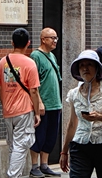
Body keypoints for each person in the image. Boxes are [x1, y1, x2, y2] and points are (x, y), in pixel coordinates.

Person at [61, 50, 102, 178]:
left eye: (89, 64)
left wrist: (100, 117)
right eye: (81, 65)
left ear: (97, 68)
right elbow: (72, 123)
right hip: (80, 145)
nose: (85, 68)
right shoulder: (74, 93)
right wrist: (64, 151)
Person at [0, 28, 44, 178]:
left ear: (12, 42)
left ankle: (14, 174)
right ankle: (13, 175)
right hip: (24, 110)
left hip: (8, 110)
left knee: (13, 145)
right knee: (21, 145)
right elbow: (34, 91)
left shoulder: (3, 61)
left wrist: (5, 104)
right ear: (28, 43)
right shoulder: (29, 63)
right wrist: (37, 112)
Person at [31, 27, 63, 177]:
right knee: (39, 135)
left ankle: (45, 164)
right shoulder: (36, 56)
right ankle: (34, 165)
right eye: (52, 38)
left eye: (56, 38)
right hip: (43, 104)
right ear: (43, 39)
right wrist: (39, 103)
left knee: (51, 136)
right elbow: (33, 83)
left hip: (55, 103)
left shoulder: (52, 56)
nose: (55, 41)